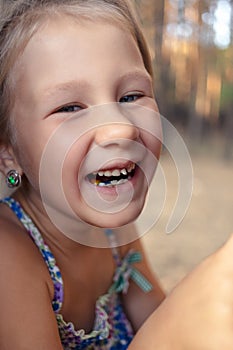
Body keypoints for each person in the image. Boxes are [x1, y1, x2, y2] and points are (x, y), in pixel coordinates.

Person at [1, 1, 233, 350]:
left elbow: (152, 311)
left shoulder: (115, 233)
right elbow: (166, 330)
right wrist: (185, 316)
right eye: (70, 108)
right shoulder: (9, 256)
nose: (119, 129)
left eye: (130, 96)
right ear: (9, 152)